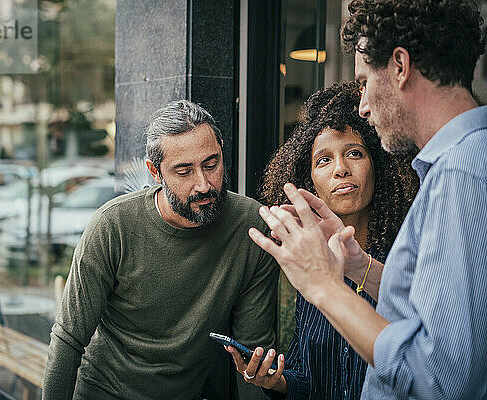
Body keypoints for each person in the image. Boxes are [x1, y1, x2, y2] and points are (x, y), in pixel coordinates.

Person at [243, 0, 487, 399]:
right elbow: (430, 320)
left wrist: (324, 285)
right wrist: (360, 266)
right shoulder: (458, 164)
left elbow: (439, 381)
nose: (363, 106)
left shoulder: (461, 173)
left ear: (399, 67)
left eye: (363, 82)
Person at [42, 100, 279, 400]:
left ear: (221, 150)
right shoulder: (113, 225)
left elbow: (252, 353)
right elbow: (68, 338)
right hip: (104, 391)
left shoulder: (252, 227)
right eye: (184, 172)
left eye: (211, 164)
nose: (203, 184)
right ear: (155, 172)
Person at [226, 81, 418, 399]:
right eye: (324, 160)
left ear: (380, 165)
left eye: (354, 154)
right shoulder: (313, 263)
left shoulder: (405, 257)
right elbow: (307, 377)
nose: (340, 169)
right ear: (310, 180)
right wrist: (275, 381)